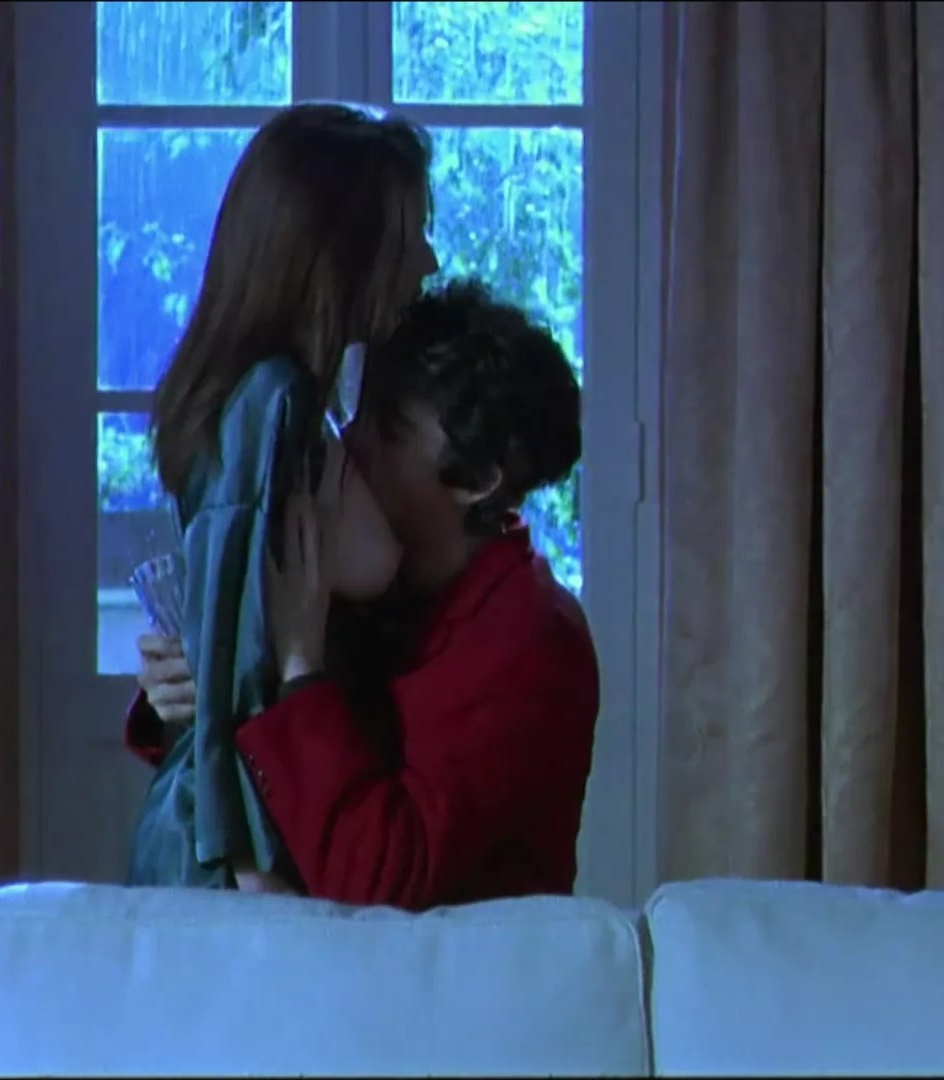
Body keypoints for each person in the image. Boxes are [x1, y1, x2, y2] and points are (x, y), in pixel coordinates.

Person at [128, 279, 599, 912]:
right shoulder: (383, 583)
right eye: (358, 412)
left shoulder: (531, 638)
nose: (351, 442)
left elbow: (388, 880)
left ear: (475, 481)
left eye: (387, 428)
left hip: (462, 970)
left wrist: (301, 666)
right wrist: (188, 693)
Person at [124, 102, 440, 893]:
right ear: (340, 250)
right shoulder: (273, 405)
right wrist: (258, 882)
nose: (428, 262)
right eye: (408, 236)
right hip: (240, 872)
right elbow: (241, 679)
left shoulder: (290, 405)